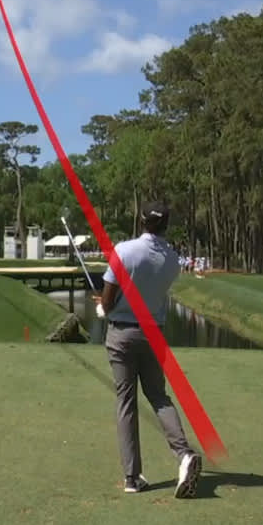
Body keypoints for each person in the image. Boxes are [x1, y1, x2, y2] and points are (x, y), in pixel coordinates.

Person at [94, 201, 202, 499]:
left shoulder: (125, 251)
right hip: (153, 334)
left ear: (141, 221)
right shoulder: (172, 260)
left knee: (126, 402)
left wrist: (104, 310)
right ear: (166, 225)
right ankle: (183, 455)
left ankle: (132, 477)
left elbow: (108, 298)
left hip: (122, 335)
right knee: (158, 396)